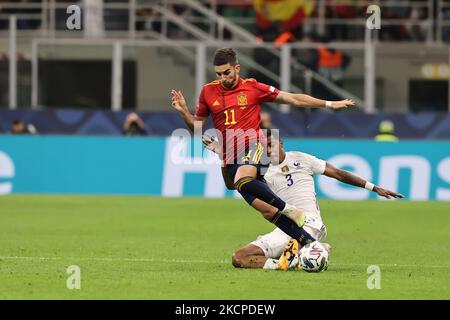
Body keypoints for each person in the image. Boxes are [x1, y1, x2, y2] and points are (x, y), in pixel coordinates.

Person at [170, 47, 355, 254]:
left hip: (255, 146)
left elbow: (292, 98)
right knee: (268, 211)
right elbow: (197, 128)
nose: (222, 78)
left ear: (237, 68)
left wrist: (329, 103)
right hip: (231, 156)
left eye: (227, 73)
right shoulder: (208, 91)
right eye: (218, 74)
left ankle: (289, 209)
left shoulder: (253, 87)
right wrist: (184, 112)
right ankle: (312, 244)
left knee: (243, 180)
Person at [231, 137, 404, 271]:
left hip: (309, 223)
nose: (269, 149)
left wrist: (374, 188)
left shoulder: (300, 158)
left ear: (281, 143)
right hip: (284, 227)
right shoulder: (261, 173)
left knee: (290, 250)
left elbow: (337, 173)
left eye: (271, 144)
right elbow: (258, 204)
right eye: (264, 147)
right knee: (239, 258)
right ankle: (290, 261)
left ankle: (303, 250)